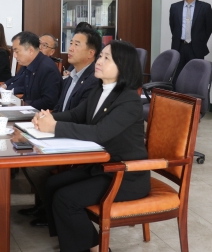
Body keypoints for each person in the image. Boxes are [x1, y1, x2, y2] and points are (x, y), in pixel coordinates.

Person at [33, 41, 149, 252]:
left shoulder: (129, 100)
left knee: (65, 199)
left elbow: (99, 134)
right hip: (101, 167)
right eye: (100, 56)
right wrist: (47, 118)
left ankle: (96, 249)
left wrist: (54, 127)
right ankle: (72, 238)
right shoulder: (99, 89)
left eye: (107, 58)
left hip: (124, 175)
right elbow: (76, 114)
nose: (99, 61)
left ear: (123, 66)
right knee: (52, 184)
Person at [19, 27, 102, 225]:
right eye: (70, 43)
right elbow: (59, 107)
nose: (70, 48)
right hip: (60, 129)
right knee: (22, 150)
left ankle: (51, 212)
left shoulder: (93, 81)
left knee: (34, 166)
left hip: (74, 137)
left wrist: (52, 122)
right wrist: (46, 117)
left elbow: (80, 118)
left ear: (91, 53)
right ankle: (44, 205)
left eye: (76, 44)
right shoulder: (72, 75)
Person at [169, 0, 212, 83]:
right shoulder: (175, 7)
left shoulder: (205, 7)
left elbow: (209, 27)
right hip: (179, 46)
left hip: (196, 47)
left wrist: (200, 41)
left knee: (195, 77)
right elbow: (173, 26)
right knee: (176, 77)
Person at [5, 31, 62, 110]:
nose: (14, 56)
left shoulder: (47, 69)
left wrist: (22, 106)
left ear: (31, 50)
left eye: (17, 51)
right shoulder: (30, 65)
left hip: (39, 114)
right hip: (28, 111)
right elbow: (28, 96)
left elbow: (49, 102)